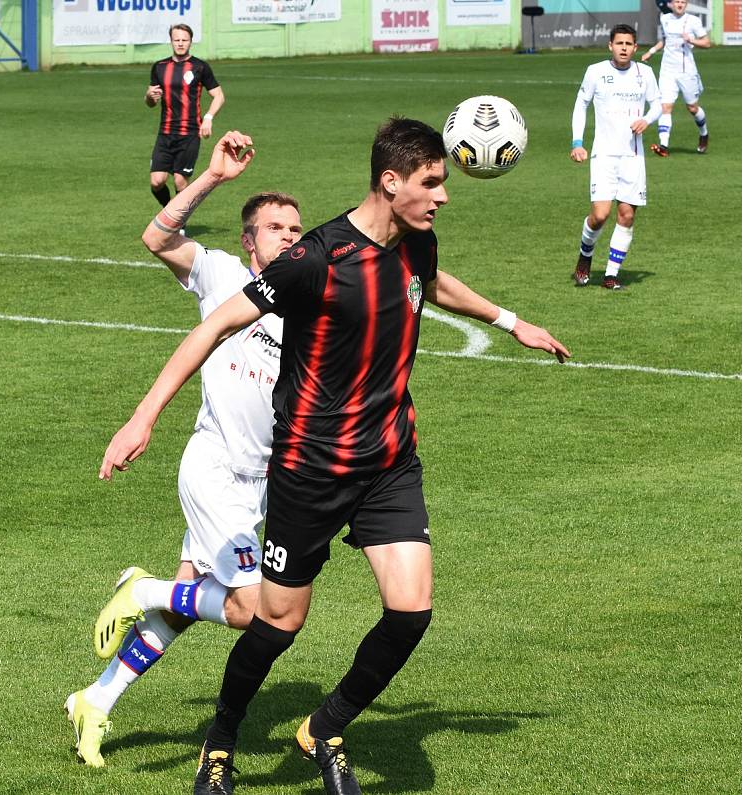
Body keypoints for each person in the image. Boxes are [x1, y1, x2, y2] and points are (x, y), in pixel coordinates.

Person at [98, 118, 571, 795]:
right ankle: (221, 741)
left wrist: (510, 321)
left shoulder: (417, 242)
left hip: (388, 461)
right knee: (278, 621)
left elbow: (430, 281)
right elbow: (216, 322)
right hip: (310, 469)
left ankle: (324, 726)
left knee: (411, 611)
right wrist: (142, 416)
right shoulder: (316, 257)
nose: (443, 195)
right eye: (431, 183)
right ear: (390, 180)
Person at [64, 131, 302, 768]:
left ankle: (95, 699)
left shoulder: (303, 301)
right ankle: (139, 590)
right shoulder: (223, 272)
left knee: (191, 602)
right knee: (255, 609)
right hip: (214, 468)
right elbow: (157, 239)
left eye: (296, 228)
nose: (289, 236)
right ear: (250, 240)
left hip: (262, 485)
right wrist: (213, 179)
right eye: (276, 227)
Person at [571, 24, 662, 291]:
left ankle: (611, 274)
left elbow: (658, 103)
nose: (624, 48)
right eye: (619, 43)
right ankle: (585, 254)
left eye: (629, 44)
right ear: (610, 45)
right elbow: (581, 105)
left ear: (636, 48)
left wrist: (647, 119)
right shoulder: (596, 72)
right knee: (600, 215)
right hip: (604, 155)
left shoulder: (644, 73)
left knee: (626, 215)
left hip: (633, 157)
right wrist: (578, 142)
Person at [146, 24, 225, 212]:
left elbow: (219, 95)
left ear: (190, 41)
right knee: (157, 181)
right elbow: (151, 101)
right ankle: (169, 212)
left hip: (189, 133)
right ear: (171, 41)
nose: (180, 44)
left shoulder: (200, 67)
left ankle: (178, 223)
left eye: (184, 40)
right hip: (165, 132)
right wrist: (149, 97)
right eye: (177, 40)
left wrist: (208, 118)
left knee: (181, 182)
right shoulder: (160, 67)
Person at [641, 0, 711, 156]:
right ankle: (663, 146)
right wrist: (651, 52)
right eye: (677, 1)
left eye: (683, 2)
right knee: (665, 107)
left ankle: (704, 134)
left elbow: (707, 43)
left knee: (692, 108)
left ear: (686, 4)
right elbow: (665, 40)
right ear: (671, 4)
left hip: (687, 72)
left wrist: (691, 40)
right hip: (667, 71)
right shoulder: (664, 18)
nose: (680, 4)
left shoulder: (693, 21)